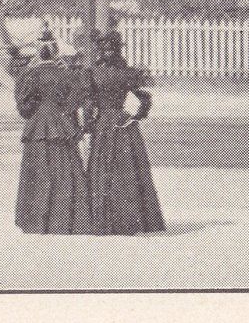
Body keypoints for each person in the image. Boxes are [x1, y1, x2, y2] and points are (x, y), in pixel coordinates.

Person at [85, 31, 165, 235]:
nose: (107, 52)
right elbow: (145, 98)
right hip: (121, 124)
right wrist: (136, 117)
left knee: (105, 170)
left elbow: (88, 104)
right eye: (106, 49)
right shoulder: (126, 73)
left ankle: (105, 220)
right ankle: (129, 219)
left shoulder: (94, 73)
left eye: (108, 49)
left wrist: (88, 125)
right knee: (125, 172)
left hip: (105, 124)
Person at [14, 39, 93, 234]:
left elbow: (24, 107)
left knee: (38, 172)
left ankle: (36, 222)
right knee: (65, 170)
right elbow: (78, 99)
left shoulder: (32, 75)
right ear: (56, 53)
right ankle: (67, 221)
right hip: (61, 125)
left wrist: (35, 109)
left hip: (38, 126)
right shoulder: (66, 74)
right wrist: (64, 114)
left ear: (38, 54)